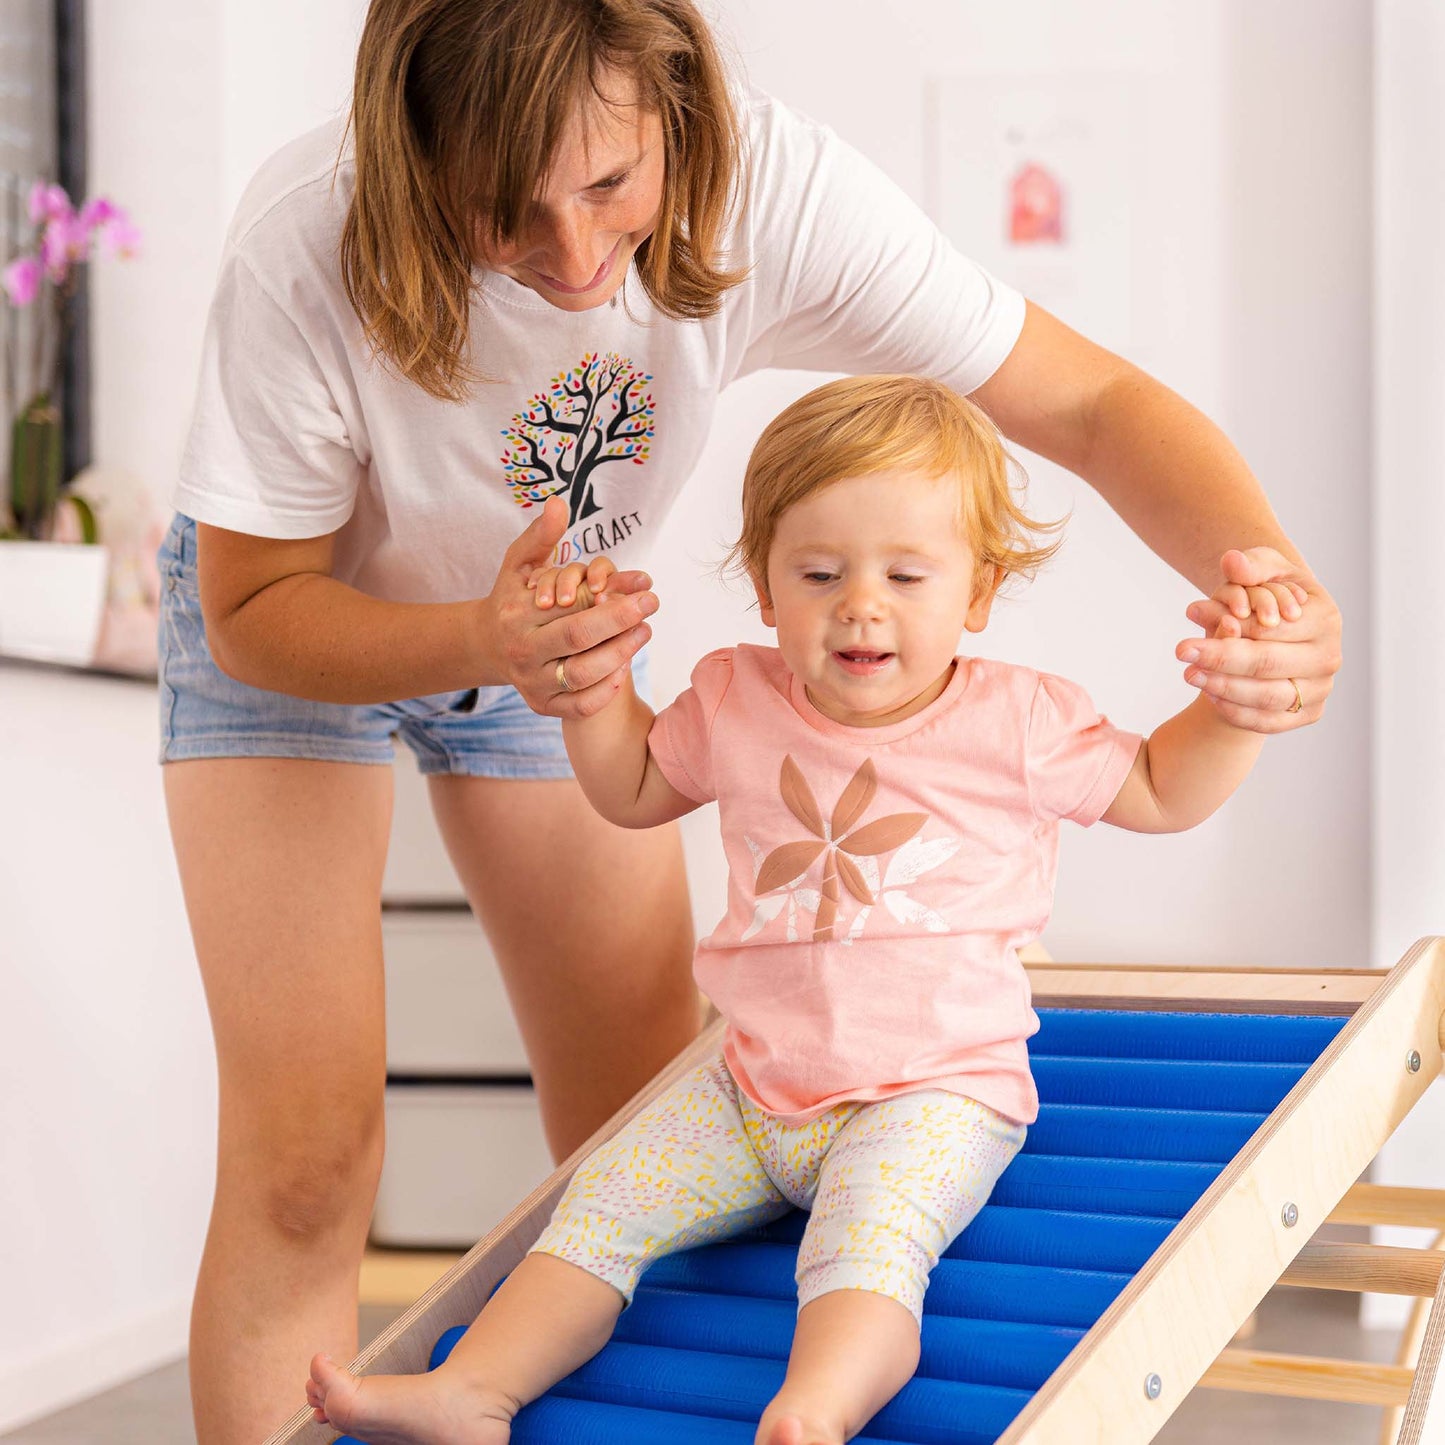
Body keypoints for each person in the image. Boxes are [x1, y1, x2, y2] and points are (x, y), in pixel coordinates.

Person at [160, 1, 1340, 1438]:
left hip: (561, 641)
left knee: (631, 1105)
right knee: (305, 1160)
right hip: (307, 614)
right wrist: (484, 635)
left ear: (677, 108)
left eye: (610, 184)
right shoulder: (306, 240)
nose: (576, 259)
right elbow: (252, 607)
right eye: (503, 211)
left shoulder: (775, 191)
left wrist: (1271, 592)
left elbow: (1088, 403)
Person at [303, 374, 1288, 1444]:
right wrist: (593, 692)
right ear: (766, 589)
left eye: (904, 574)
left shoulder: (1015, 720)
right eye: (818, 573)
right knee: (598, 1200)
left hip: (932, 1091)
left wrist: (1231, 712)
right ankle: (473, 1389)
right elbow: (634, 786)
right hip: (749, 1086)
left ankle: (813, 1410)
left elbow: (1157, 788)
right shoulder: (737, 697)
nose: (859, 602)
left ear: (979, 590)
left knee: (866, 1241)